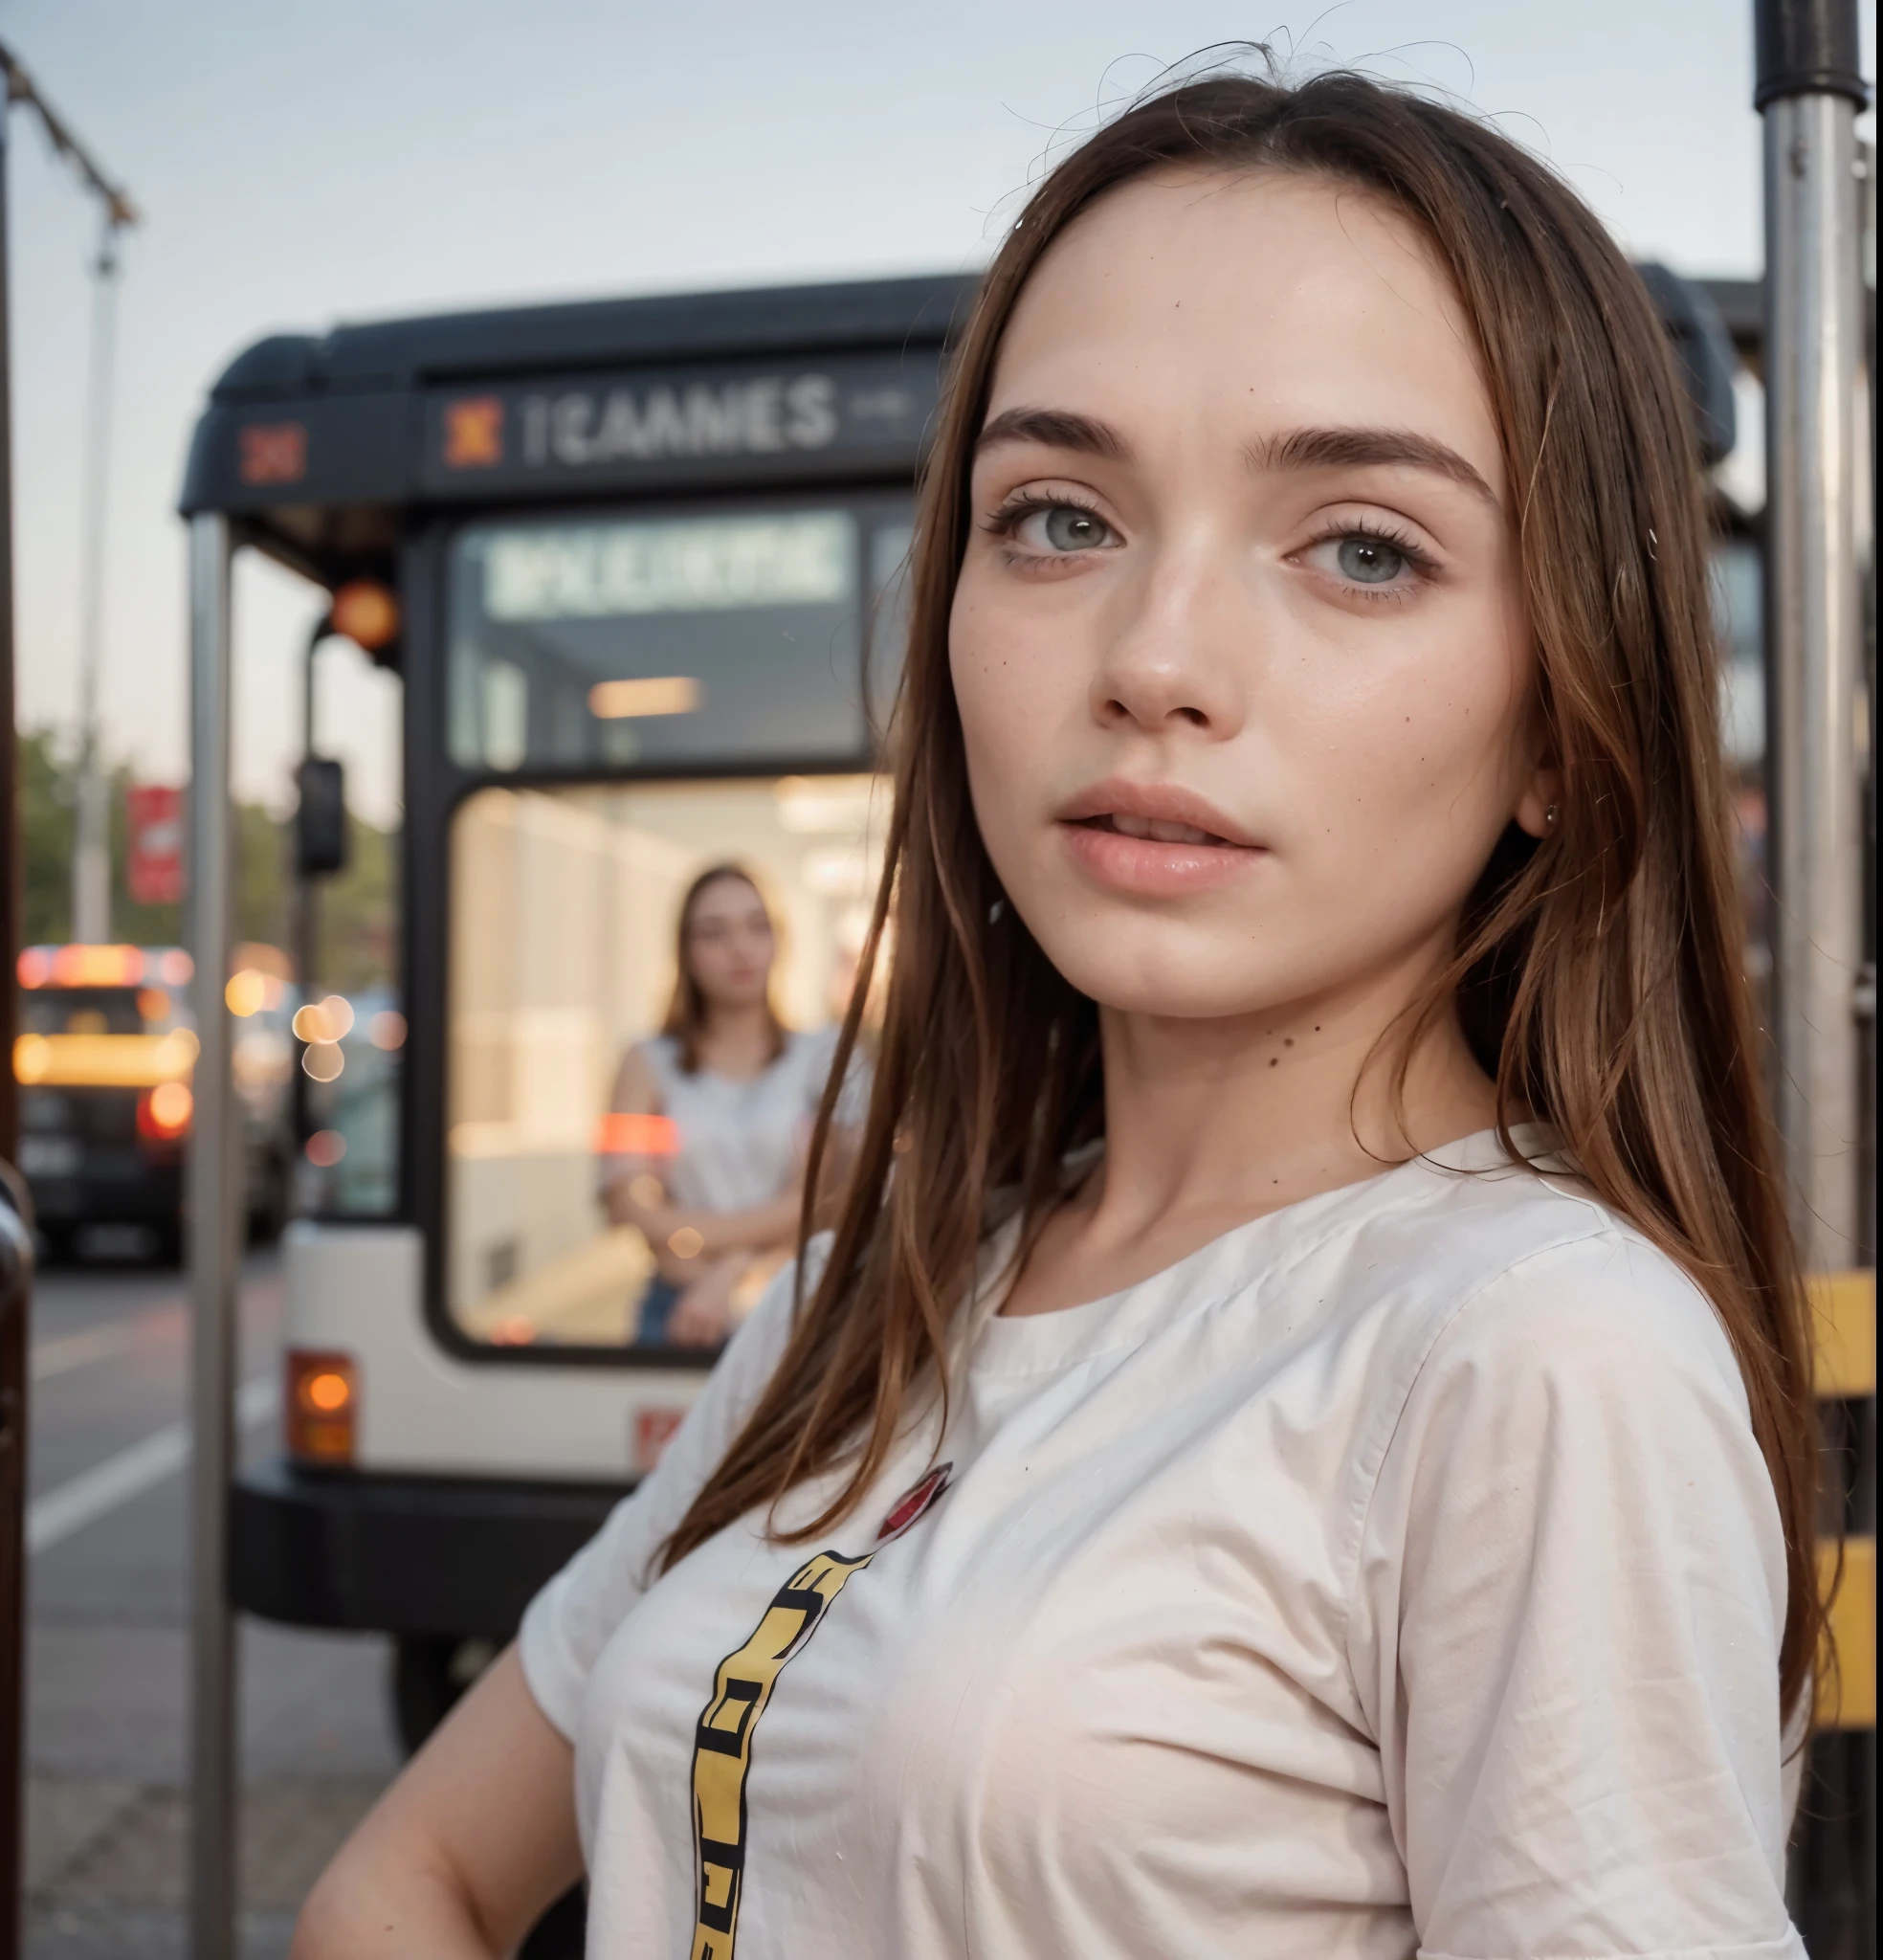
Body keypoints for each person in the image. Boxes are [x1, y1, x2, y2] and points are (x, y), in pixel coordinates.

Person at [295, 66, 1822, 1960]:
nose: (1158, 661)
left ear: (1562, 727)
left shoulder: (1535, 1355)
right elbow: (403, 1880)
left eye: (1363, 547)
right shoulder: (867, 1299)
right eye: (1057, 518)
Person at [601, 863, 847, 1348]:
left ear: (781, 941)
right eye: (714, 933)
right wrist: (710, 1282)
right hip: (680, 1309)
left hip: (796, 1305)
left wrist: (733, 1275)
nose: (740, 949)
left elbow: (828, 1201)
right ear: (686, 952)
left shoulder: (828, 1055)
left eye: (758, 927)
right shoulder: (646, 1061)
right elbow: (627, 1201)